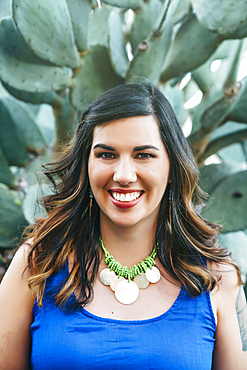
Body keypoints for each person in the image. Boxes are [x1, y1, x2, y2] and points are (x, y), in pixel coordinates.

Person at [0, 83, 246, 370]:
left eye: (144, 155)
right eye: (106, 154)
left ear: (172, 167)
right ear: (86, 165)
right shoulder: (37, 263)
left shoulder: (217, 277)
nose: (124, 175)